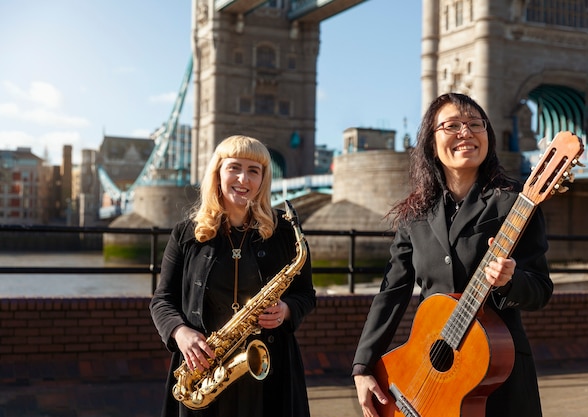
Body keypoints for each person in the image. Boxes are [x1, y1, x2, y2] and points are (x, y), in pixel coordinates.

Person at [352, 93, 553, 417]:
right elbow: (392, 293)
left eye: (476, 124)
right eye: (452, 125)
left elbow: (540, 290)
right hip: (426, 376)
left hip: (497, 374)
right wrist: (363, 365)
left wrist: (510, 280)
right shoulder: (415, 214)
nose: (466, 133)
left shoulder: (515, 202)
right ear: (431, 141)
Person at [150, 135, 316, 417]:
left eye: (254, 170)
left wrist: (287, 310)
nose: (244, 178)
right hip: (202, 370)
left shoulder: (286, 233)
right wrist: (180, 332)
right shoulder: (185, 233)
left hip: (269, 370)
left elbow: (306, 294)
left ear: (263, 179)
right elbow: (162, 300)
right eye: (234, 168)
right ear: (218, 173)